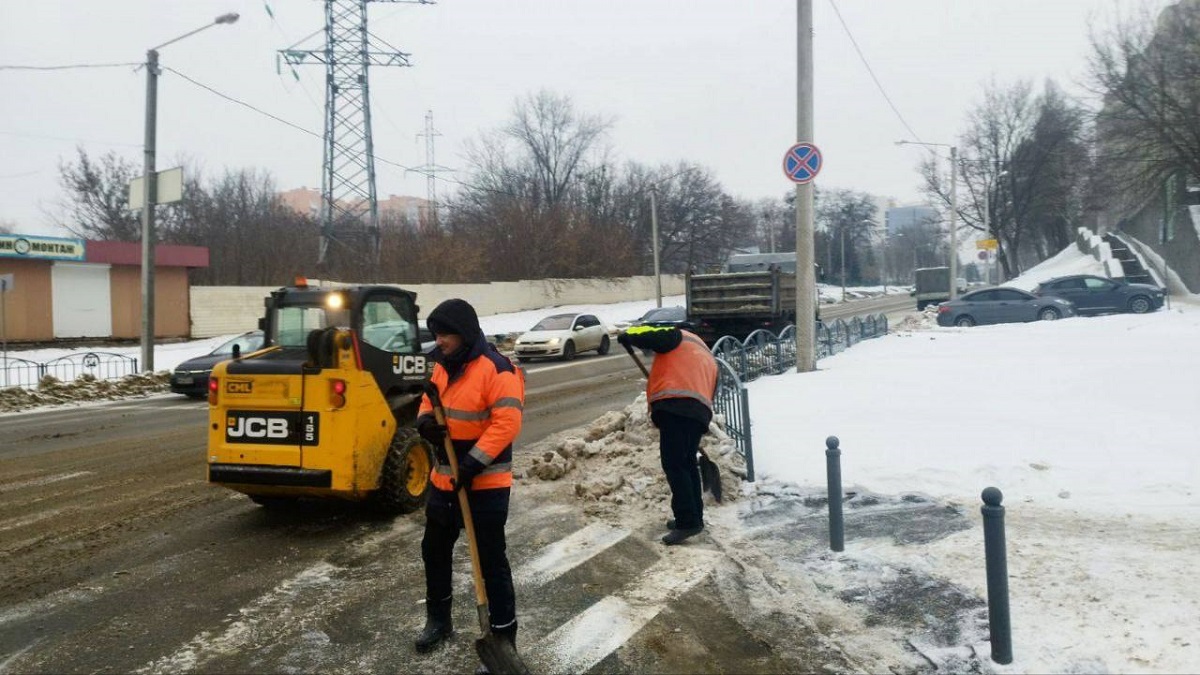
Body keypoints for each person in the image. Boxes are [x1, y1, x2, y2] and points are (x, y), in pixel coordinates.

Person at [412, 298, 525, 658]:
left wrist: (472, 465)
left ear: (463, 332)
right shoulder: (442, 367)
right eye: (436, 334)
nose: (439, 340)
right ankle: (438, 620)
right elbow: (428, 403)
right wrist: (425, 424)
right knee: (434, 550)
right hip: (445, 482)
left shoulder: (498, 369)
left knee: (490, 561)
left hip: (485, 484)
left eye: (445, 334)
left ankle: (503, 636)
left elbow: (507, 423)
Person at [617, 323, 717, 546]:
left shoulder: (678, 337)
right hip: (697, 413)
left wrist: (629, 335)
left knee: (675, 465)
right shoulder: (706, 354)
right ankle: (694, 518)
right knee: (687, 465)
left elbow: (651, 335)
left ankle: (687, 522)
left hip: (676, 408)